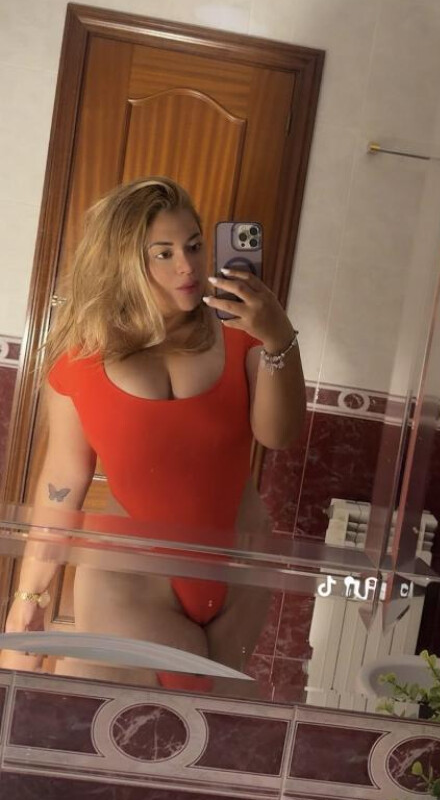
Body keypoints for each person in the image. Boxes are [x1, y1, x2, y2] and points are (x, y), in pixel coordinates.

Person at [0, 176, 306, 688]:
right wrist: (29, 598)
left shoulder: (241, 332)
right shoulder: (81, 357)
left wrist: (278, 336)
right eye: (163, 253)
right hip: (131, 581)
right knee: (132, 721)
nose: (187, 266)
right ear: (123, 260)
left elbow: (278, 435)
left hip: (239, 576)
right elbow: (63, 480)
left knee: (207, 725)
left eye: (194, 246)